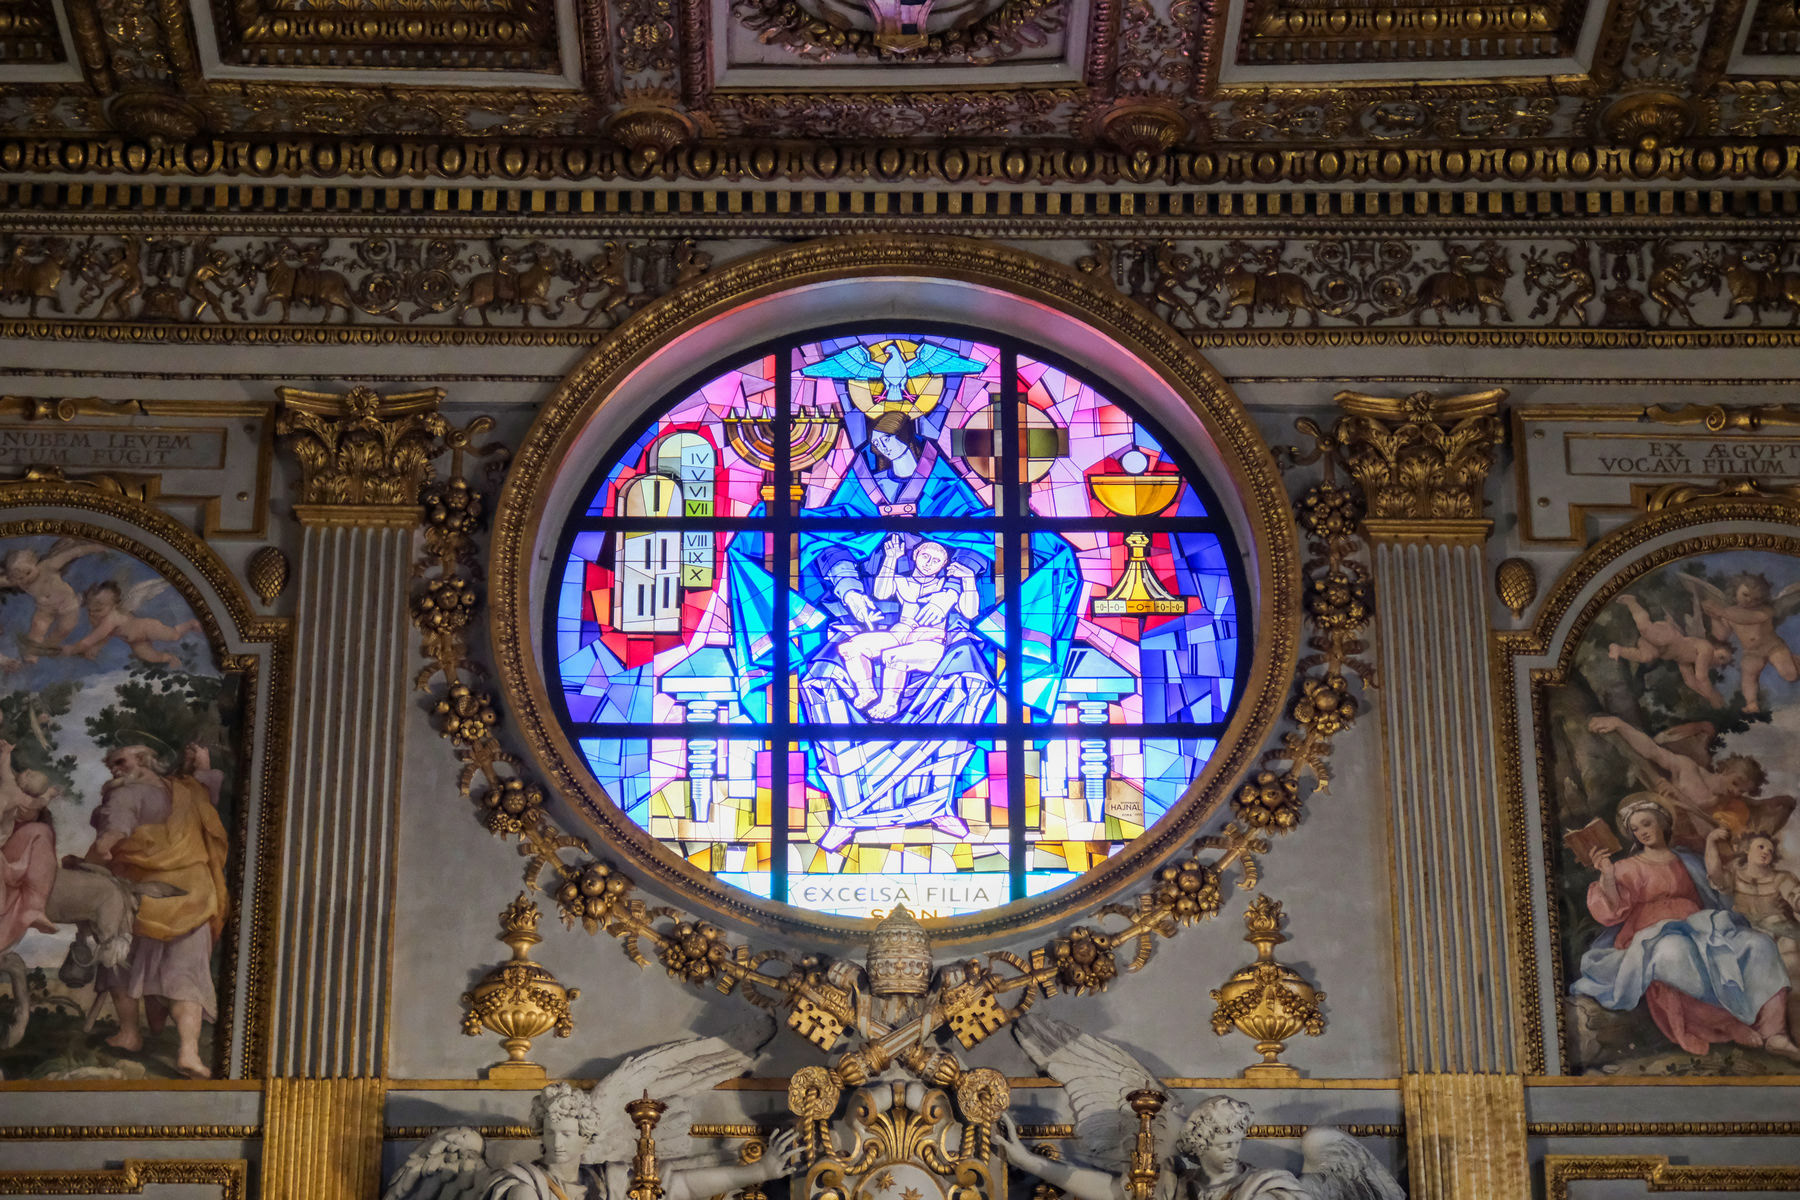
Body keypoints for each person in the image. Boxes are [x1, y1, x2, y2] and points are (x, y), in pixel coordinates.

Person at [1571, 794, 1800, 1061]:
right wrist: (1608, 876)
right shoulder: (1626, 867)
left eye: (1647, 824)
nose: (1642, 832)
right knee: (1673, 952)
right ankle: (1727, 1022)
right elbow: (1611, 912)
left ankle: (1775, 1032)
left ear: (1662, 823)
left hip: (1700, 927)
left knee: (1758, 944)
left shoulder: (1689, 861)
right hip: (1652, 934)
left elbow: (1717, 888)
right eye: (1635, 828)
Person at [85, 742, 229, 1078]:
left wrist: (97, 854)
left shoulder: (125, 793)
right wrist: (203, 765)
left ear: (143, 760)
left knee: (119, 960)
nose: (114, 770)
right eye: (111, 765)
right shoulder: (186, 790)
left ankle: (130, 1034)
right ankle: (188, 1052)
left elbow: (114, 831)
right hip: (192, 895)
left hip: (141, 896)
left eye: (120, 762)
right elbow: (207, 797)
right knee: (186, 973)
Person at [483, 1083, 800, 1200]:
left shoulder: (607, 1180)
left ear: (585, 1138)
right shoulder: (524, 1184)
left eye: (567, 1134)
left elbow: (679, 1187)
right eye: (550, 1132)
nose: (557, 1143)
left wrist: (759, 1172)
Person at [995, 1098, 1307, 1200]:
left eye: (1237, 1143)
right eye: (1225, 1145)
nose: (1234, 1153)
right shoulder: (1175, 1185)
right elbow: (1107, 1190)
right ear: (1200, 1146)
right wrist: (1027, 1161)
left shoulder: (1263, 1189)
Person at [837, 537, 979, 720]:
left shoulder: (947, 590)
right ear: (915, 555)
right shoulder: (902, 582)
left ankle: (888, 704)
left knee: (894, 656)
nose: (929, 563)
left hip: (930, 641)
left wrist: (969, 580)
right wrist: (891, 558)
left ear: (944, 564)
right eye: (925, 556)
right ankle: (866, 692)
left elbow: (970, 612)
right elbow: (881, 593)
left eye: (936, 560)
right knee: (849, 648)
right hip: (899, 634)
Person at [1607, 593, 1735, 707]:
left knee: (1645, 657)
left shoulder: (1687, 660)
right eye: (1722, 657)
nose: (1718, 662)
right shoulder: (1706, 649)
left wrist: (1707, 696)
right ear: (1716, 647)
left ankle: (1619, 649)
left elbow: (1689, 681)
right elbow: (1701, 677)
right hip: (1667, 637)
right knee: (1646, 629)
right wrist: (1713, 695)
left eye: (1721, 664)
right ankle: (1632, 602)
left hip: (1659, 650)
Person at [2, 540, 104, 661]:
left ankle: (49, 644)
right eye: (19, 578)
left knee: (65, 628)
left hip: (67, 605)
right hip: (44, 609)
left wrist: (94, 547)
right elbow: (3, 581)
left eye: (28, 572)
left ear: (35, 562)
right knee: (37, 626)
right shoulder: (19, 581)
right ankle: (31, 655)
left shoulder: (48, 566)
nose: (25, 579)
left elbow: (72, 553)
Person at [0, 738, 57, 951]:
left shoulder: (16, 792)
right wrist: (6, 753)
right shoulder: (12, 787)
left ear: (25, 787)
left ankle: (30, 908)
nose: (28, 771)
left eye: (30, 776)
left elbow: (37, 803)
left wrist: (47, 795)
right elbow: (5, 770)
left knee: (40, 832)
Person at [64, 581, 200, 666]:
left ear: (114, 605)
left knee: (174, 636)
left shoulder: (112, 618)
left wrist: (73, 649)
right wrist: (94, 649)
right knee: (151, 657)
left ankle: (191, 624)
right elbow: (104, 637)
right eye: (90, 610)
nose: (93, 613)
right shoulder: (100, 621)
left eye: (98, 609)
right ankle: (171, 658)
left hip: (147, 628)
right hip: (134, 641)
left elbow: (90, 640)